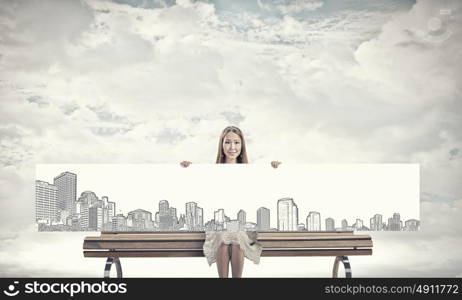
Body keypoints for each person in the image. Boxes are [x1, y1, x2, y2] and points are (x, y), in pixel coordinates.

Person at [180, 126, 281, 278]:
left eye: (236, 143)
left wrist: (273, 169)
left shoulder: (250, 172)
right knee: (223, 236)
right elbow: (199, 193)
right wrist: (189, 169)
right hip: (219, 224)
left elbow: (263, 194)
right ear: (222, 145)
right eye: (227, 142)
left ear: (242, 145)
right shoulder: (211, 171)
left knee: (237, 236)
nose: (232, 147)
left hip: (242, 225)